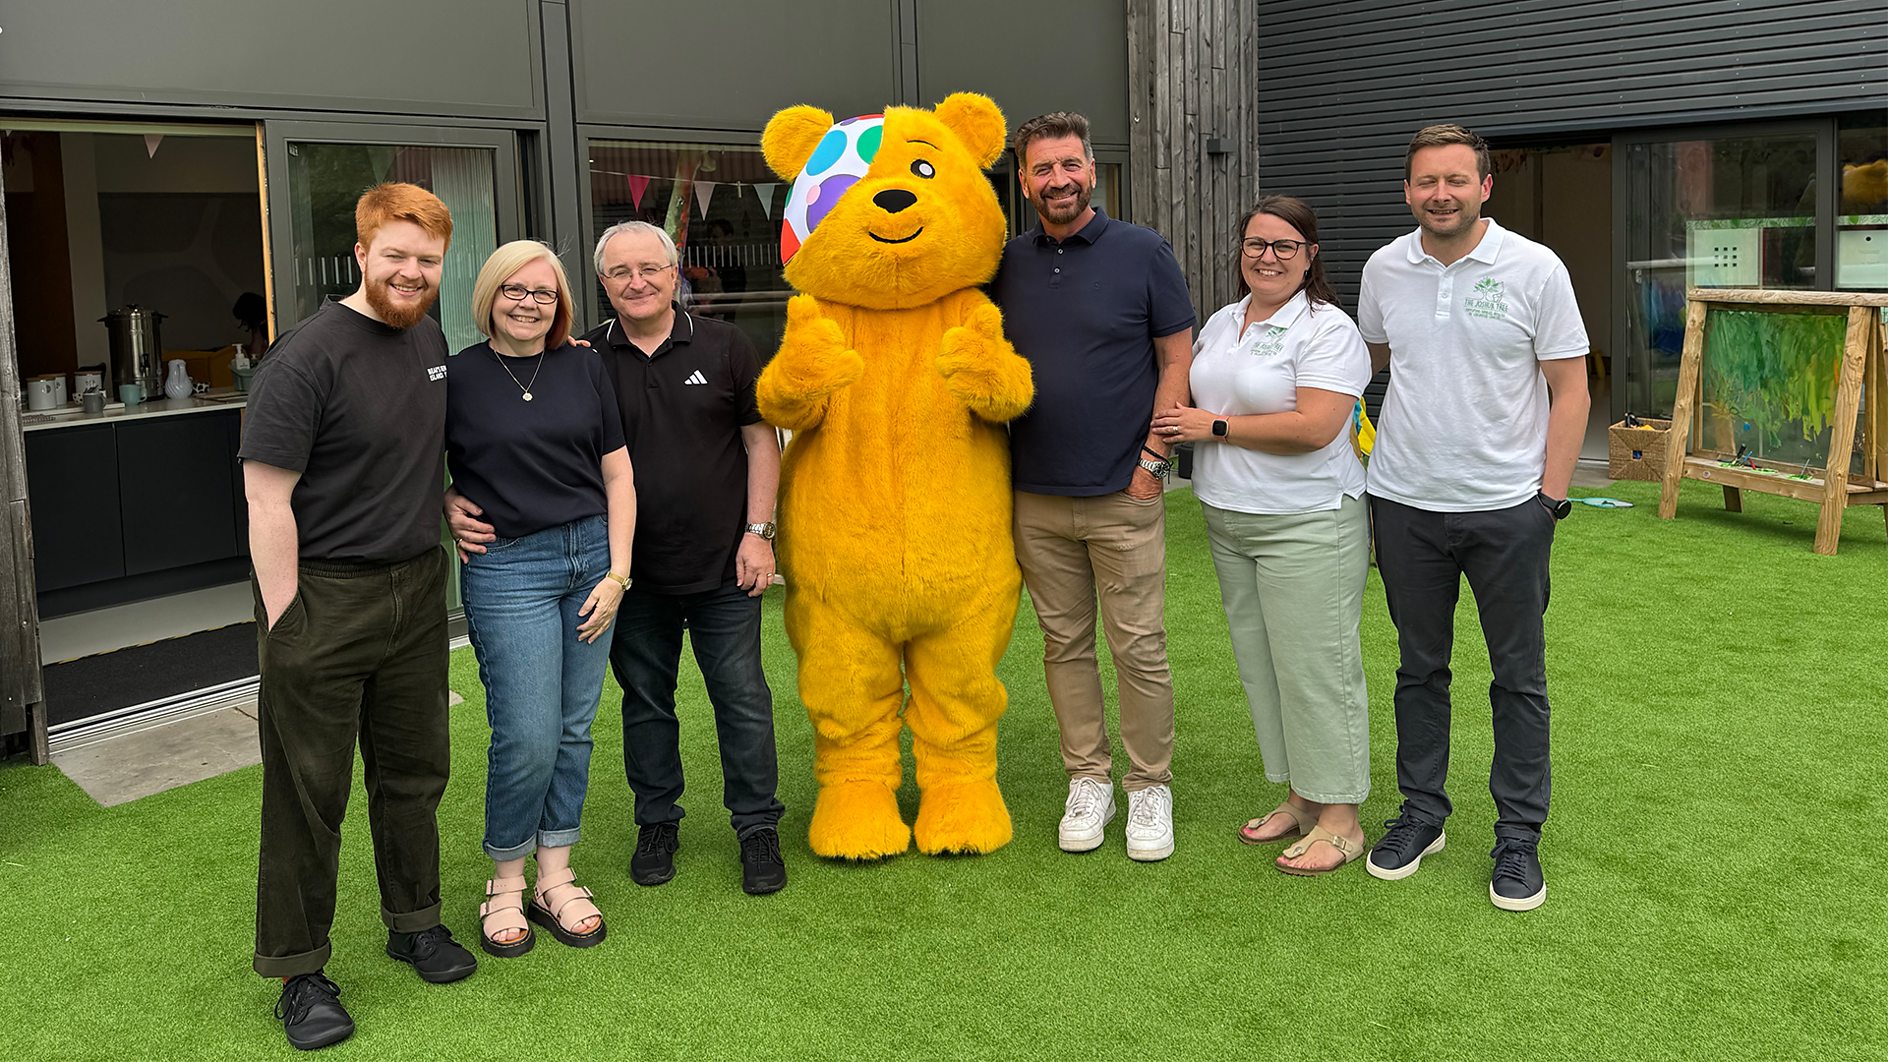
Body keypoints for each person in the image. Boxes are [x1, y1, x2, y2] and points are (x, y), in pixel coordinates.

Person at [449, 220, 788, 895]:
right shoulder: (585, 356)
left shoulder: (724, 346)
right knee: (646, 704)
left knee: (742, 698)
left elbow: (760, 441)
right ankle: (657, 822)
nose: (637, 283)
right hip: (627, 571)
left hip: (722, 561)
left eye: (650, 269)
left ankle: (756, 826)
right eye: (620, 273)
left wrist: (759, 531)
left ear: (674, 273)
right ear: (602, 284)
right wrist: (451, 496)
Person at [239, 183, 474, 1051]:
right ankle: (299, 972)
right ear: (362, 253)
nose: (412, 273)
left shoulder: (429, 339)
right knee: (309, 793)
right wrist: (287, 623)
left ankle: (414, 922)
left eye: (428, 260)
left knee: (414, 772)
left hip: (417, 590)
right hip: (323, 597)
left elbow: (408, 452)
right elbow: (267, 501)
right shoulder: (304, 357)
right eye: (396, 256)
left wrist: (441, 501)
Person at [1357, 124, 1590, 911]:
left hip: (1507, 510)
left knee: (1518, 678)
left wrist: (1547, 501)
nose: (1441, 194)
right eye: (1426, 181)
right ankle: (1422, 814)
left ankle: (1518, 837)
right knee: (1418, 669)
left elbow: (1571, 388)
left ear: (1485, 186)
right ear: (1408, 191)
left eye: (1456, 179)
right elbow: (1367, 359)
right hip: (1404, 504)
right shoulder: (1385, 268)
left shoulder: (1535, 268)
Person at [993, 111, 1195, 862]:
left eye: (1070, 164)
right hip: (1034, 495)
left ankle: (1149, 786)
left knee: (1138, 645)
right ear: (1024, 181)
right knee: (1064, 643)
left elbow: (1176, 360)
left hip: (1123, 490)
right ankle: (1089, 778)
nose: (1059, 180)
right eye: (1043, 169)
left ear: (1092, 170)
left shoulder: (1142, 252)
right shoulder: (1004, 263)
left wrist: (1153, 462)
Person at [1150, 195, 1373, 875]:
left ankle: (1342, 819)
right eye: (1255, 244)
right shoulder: (1224, 321)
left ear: (1310, 256)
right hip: (1228, 518)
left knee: (1317, 668)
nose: (1267, 257)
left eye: (1284, 246)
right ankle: (1304, 797)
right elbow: (1182, 393)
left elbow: (1316, 427)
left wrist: (1213, 427)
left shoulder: (1328, 329)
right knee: (1265, 666)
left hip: (1306, 521)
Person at [445, 241, 635, 957]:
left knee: (574, 727)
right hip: (509, 567)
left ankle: (556, 872)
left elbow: (618, 476)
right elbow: (407, 457)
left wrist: (618, 574)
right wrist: (442, 500)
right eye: (515, 290)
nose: (529, 303)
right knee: (526, 732)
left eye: (545, 293)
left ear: (561, 305)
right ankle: (505, 879)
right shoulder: (456, 376)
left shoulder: (584, 366)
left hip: (593, 562)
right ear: (489, 295)